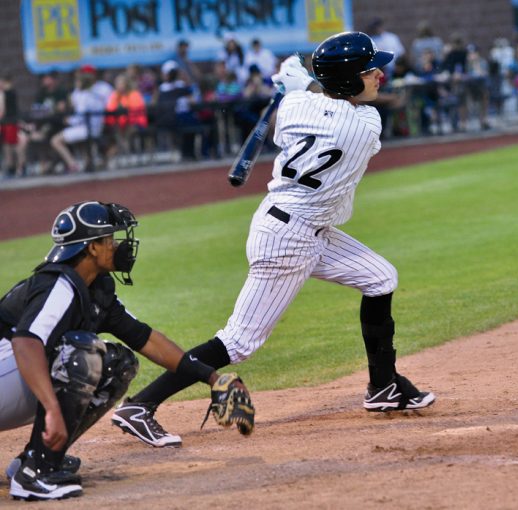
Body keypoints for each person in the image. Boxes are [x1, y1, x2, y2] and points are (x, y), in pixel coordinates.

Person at [111, 31, 436, 448]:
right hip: (289, 241)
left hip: (301, 226)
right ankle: (140, 406)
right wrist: (300, 78)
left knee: (380, 278)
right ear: (348, 81)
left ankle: (384, 386)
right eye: (370, 70)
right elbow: (320, 95)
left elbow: (311, 95)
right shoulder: (365, 126)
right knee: (238, 341)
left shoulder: (295, 108)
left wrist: (291, 79)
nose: (379, 76)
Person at [0, 201, 243, 500]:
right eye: (110, 240)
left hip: (11, 380)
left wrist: (212, 378)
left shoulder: (95, 289)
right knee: (82, 352)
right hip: (7, 372)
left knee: (118, 363)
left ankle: (40, 458)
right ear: (92, 248)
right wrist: (51, 408)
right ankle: (33, 476)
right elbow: (26, 343)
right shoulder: (59, 284)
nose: (118, 246)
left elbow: (147, 340)